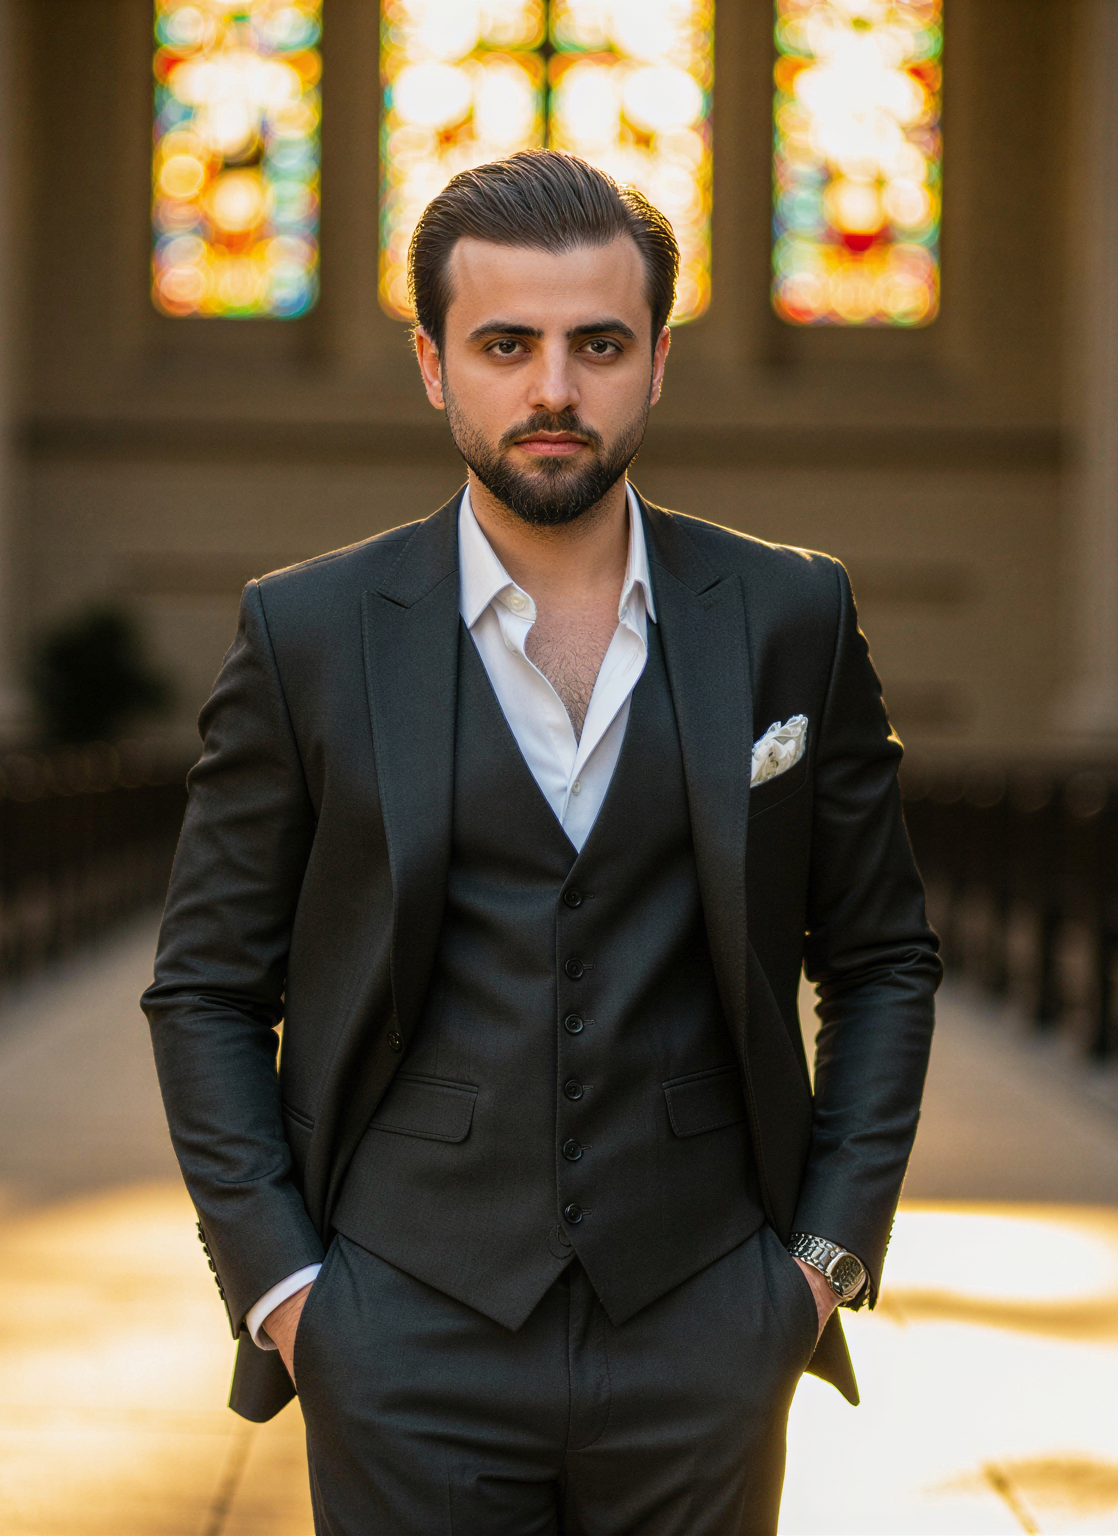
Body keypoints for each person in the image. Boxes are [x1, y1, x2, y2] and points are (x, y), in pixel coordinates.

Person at [144, 149, 940, 1535]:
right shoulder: (310, 633)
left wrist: (818, 1267)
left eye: (598, 344)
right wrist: (289, 1298)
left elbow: (881, 959)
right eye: (506, 344)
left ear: (658, 361)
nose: (554, 390)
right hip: (400, 1330)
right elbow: (207, 986)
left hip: (707, 1322)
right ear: (434, 364)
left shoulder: (791, 616)